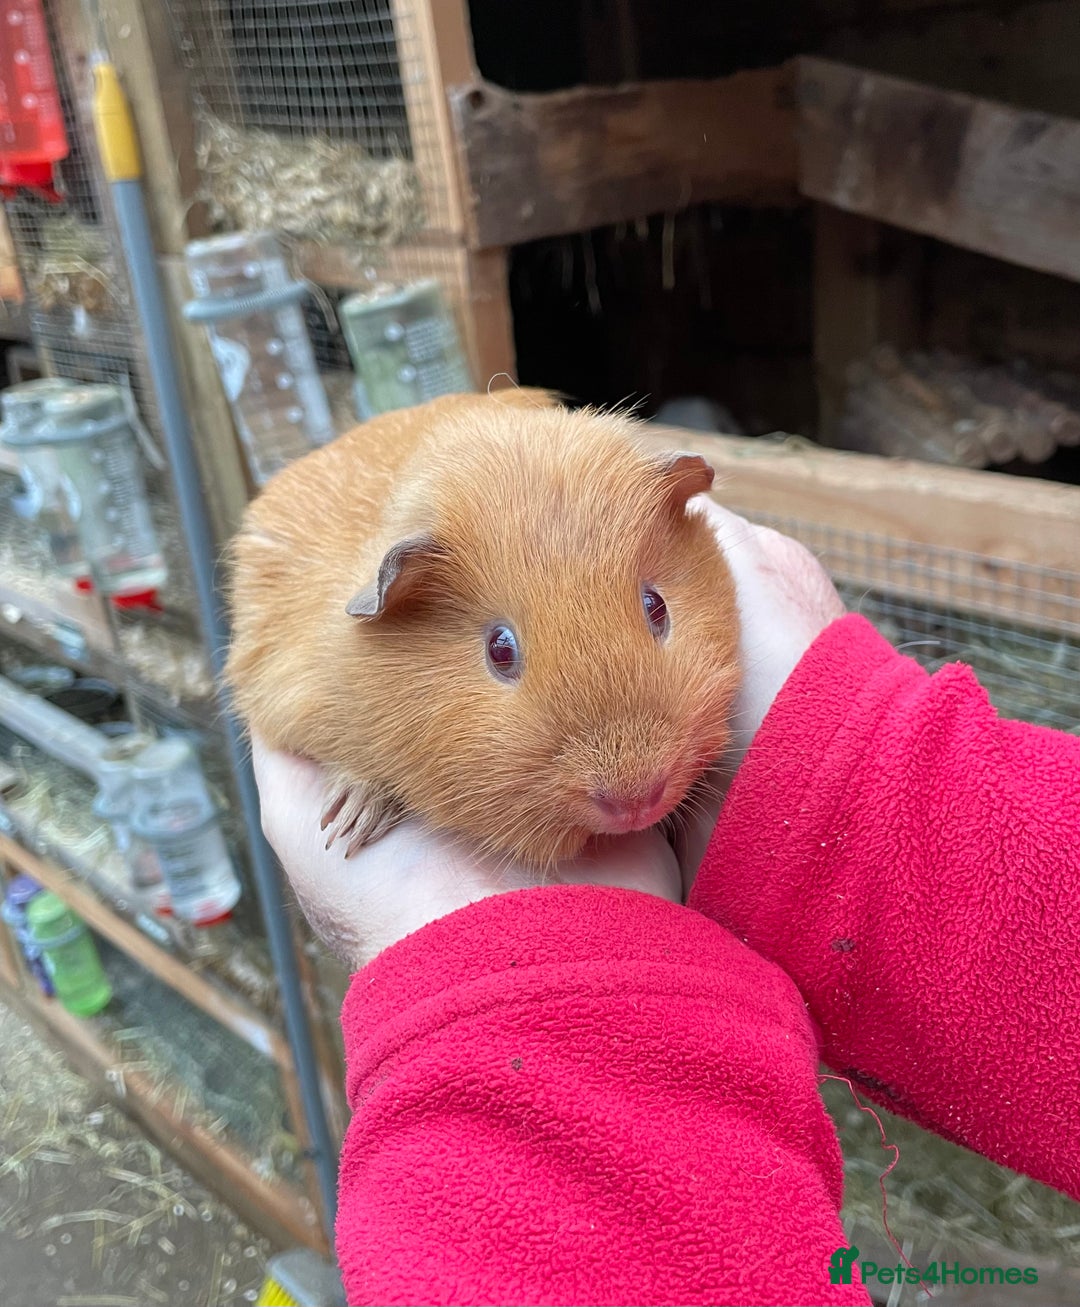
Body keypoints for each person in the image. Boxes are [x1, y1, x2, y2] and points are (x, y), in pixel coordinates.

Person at [252, 500, 1080, 1307]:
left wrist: (833, 770)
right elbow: (289, 683)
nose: (633, 783)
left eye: (654, 610)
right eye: (503, 650)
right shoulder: (360, 621)